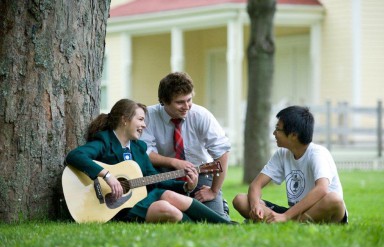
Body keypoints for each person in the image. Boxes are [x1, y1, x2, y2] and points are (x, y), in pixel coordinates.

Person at [65, 99, 231, 224]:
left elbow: (154, 178)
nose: (144, 125)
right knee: (166, 209)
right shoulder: (104, 142)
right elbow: (75, 156)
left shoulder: (138, 148)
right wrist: (107, 176)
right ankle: (209, 224)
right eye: (140, 119)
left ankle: (225, 225)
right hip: (115, 208)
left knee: (169, 196)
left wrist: (186, 186)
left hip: (140, 201)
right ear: (124, 120)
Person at [233, 106, 348, 224]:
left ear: (293, 135)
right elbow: (255, 185)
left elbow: (322, 189)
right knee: (240, 200)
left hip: (321, 210)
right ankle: (290, 222)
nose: (274, 133)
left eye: (278, 129)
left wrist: (286, 216)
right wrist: (255, 206)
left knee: (334, 199)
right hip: (296, 213)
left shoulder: (318, 154)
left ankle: (285, 222)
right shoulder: (282, 154)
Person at [140, 72, 231, 220]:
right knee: (163, 215)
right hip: (163, 175)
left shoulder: (201, 115)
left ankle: (219, 204)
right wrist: (174, 162)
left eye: (189, 100)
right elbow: (145, 152)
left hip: (201, 174)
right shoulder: (149, 116)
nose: (187, 106)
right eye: (180, 102)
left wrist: (214, 191)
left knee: (216, 220)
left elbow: (222, 153)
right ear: (164, 101)